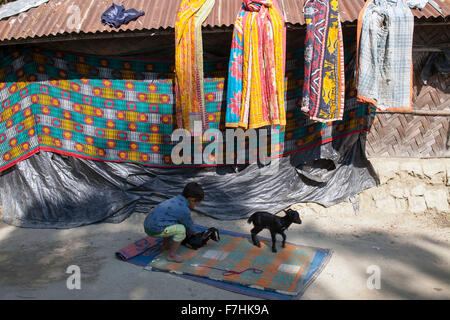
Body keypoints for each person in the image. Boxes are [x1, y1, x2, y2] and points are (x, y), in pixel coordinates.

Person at [143, 182, 204, 263]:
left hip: (148, 225)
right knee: (181, 229)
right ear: (191, 199)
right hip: (154, 230)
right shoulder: (184, 210)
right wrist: (194, 232)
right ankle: (172, 255)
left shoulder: (174, 200)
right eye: (196, 204)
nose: (195, 206)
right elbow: (188, 224)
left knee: (170, 222)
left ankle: (165, 245)